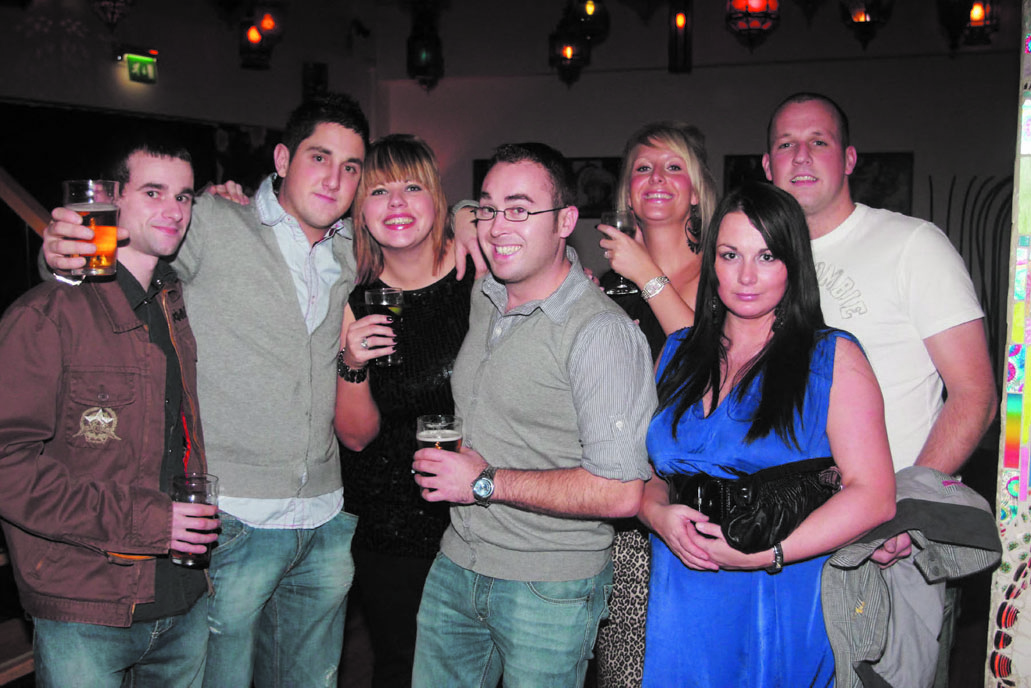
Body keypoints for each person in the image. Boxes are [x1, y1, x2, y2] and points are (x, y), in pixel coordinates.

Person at [43, 93, 368, 688]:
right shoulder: (215, 221)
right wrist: (62, 256)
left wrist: (468, 216)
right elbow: (124, 251)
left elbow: (422, 229)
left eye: (351, 166)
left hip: (323, 518)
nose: (334, 178)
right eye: (319, 157)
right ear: (282, 159)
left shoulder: (349, 248)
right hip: (234, 520)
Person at [762, 92, 997, 682]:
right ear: (767, 165)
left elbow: (974, 394)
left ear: (849, 159)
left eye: (819, 141)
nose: (801, 156)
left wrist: (904, 511)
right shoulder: (758, 262)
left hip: (887, 545)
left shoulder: (912, 245)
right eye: (786, 144)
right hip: (785, 544)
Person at [409, 142, 656, 688]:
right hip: (457, 563)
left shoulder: (601, 333)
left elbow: (621, 493)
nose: (498, 226)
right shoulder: (487, 293)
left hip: (549, 587)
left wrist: (483, 482)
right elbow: (452, 216)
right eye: (489, 209)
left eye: (520, 210)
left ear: (566, 221)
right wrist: (463, 213)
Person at [637, 182, 896, 685]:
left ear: (793, 263)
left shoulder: (831, 357)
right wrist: (657, 515)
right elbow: (653, 471)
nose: (746, 276)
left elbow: (874, 495)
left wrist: (766, 555)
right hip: (680, 591)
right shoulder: (677, 352)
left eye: (767, 256)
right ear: (712, 262)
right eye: (730, 255)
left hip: (778, 589)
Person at [0, 139, 220, 687]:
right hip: (85, 607)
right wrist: (153, 523)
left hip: (184, 597)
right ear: (110, 201)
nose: (174, 210)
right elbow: (7, 467)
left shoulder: (176, 306)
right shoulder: (46, 314)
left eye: (184, 196)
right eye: (154, 192)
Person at [333, 134, 474, 688]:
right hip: (390, 523)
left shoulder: (481, 277)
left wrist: (472, 216)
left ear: (436, 198)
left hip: (479, 515)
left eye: (412, 187)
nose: (396, 203)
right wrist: (352, 364)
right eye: (378, 191)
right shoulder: (353, 298)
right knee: (401, 670)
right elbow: (355, 438)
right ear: (361, 211)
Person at [592, 121, 718, 687]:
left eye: (674, 167)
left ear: (695, 190)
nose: (657, 178)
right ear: (628, 192)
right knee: (626, 671)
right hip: (621, 504)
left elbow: (707, 368)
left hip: (700, 501)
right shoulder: (608, 286)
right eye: (643, 168)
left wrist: (646, 273)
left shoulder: (726, 272)